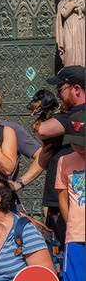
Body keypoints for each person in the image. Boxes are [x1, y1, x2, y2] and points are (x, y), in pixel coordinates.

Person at [38, 66, 86, 248]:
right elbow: (43, 157)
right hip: (59, 198)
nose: (58, 95)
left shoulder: (77, 114)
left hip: (73, 203)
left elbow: (43, 130)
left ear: (76, 89)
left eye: (61, 89)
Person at [55, 111, 84, 281]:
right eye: (74, 144)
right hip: (76, 236)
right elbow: (63, 198)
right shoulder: (65, 161)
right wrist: (72, 222)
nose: (79, 149)